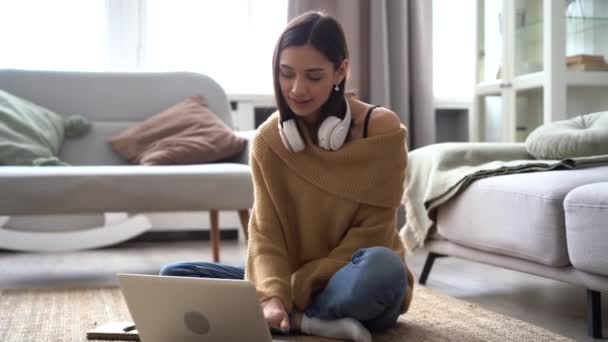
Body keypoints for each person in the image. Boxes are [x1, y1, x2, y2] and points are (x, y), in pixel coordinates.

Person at [159, 10, 414, 342]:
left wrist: (291, 290)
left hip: (352, 277)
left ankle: (292, 318)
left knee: (384, 268)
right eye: (286, 73)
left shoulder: (380, 129)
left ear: (341, 71)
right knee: (176, 277)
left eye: (313, 76)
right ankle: (307, 321)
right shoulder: (269, 141)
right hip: (293, 279)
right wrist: (272, 295)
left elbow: (374, 233)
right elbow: (266, 235)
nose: (297, 89)